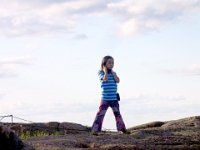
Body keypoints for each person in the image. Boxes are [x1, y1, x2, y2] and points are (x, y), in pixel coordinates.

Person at [91, 55, 129, 135]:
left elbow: (118, 81)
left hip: (114, 98)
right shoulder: (101, 72)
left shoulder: (113, 73)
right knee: (100, 114)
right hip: (105, 98)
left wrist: (113, 73)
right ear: (104, 64)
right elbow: (105, 79)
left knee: (117, 114)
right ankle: (95, 130)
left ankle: (122, 129)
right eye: (109, 63)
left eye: (112, 63)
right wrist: (105, 71)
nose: (111, 64)